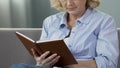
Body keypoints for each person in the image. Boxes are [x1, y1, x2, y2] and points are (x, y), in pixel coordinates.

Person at [11, 0, 119, 68]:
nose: (69, 3)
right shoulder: (50, 21)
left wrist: (66, 64)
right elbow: (42, 51)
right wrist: (41, 61)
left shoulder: (104, 21)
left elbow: (108, 63)